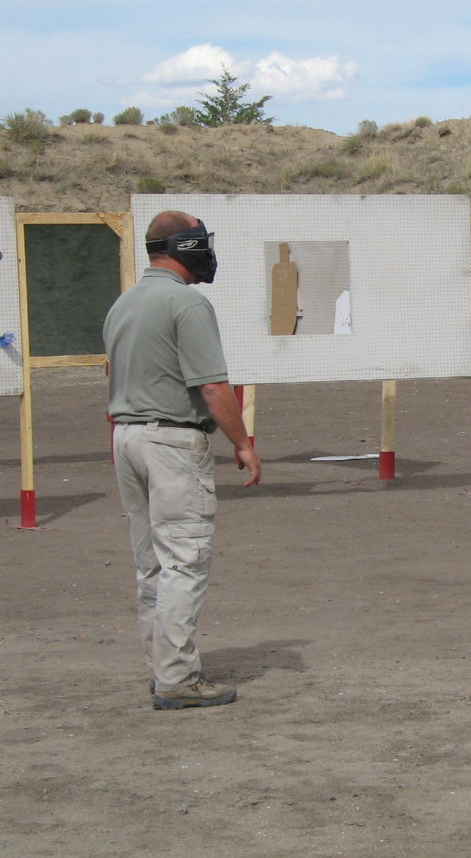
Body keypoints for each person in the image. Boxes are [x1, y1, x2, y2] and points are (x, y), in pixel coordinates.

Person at [104, 210, 261, 709]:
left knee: (151, 563)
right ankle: (176, 677)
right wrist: (243, 442)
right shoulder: (186, 304)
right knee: (184, 560)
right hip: (171, 441)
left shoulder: (124, 304)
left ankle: (162, 668)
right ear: (184, 246)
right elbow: (211, 386)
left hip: (126, 437)